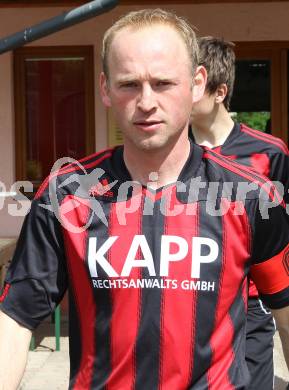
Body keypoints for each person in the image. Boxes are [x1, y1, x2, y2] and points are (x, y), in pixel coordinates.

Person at [1, 9, 289, 390]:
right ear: (105, 88)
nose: (146, 101)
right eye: (129, 84)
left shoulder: (252, 196)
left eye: (164, 83)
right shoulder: (65, 194)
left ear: (197, 84)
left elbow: (284, 312)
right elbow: (16, 318)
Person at [189, 36, 289, 389]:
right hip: (188, 302)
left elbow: (279, 238)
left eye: (194, 87)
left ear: (219, 92)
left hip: (250, 309)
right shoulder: (169, 156)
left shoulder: (270, 153)